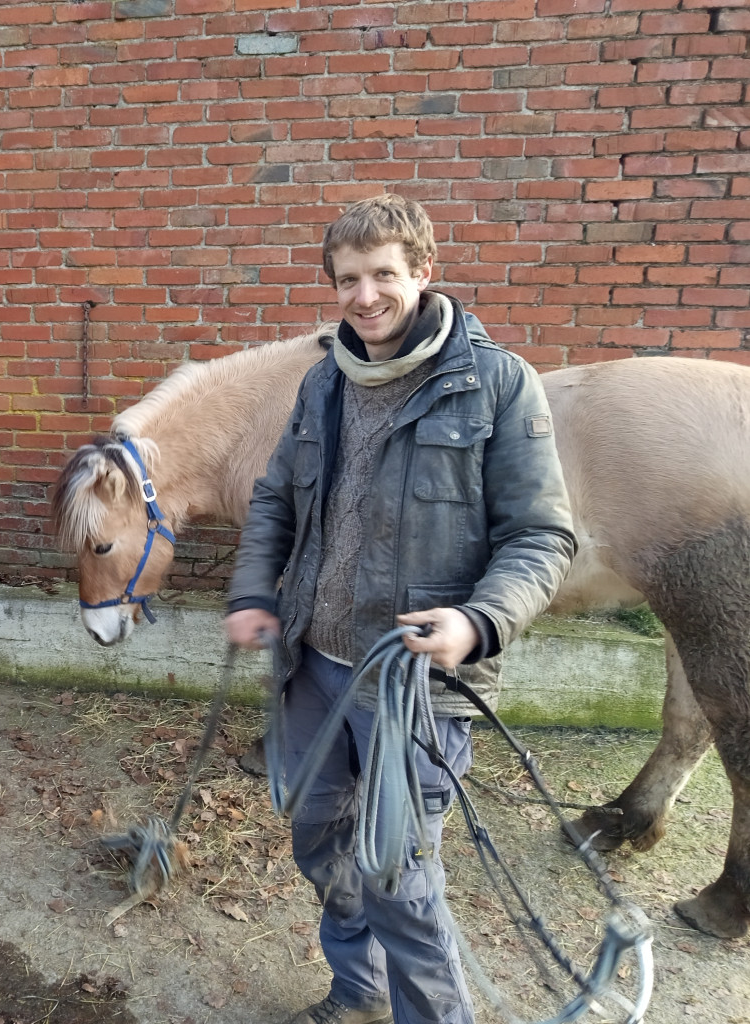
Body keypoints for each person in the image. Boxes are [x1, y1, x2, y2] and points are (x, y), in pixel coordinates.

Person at [225, 195, 575, 1024]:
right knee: (317, 836)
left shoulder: (492, 383)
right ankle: (358, 989)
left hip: (410, 685)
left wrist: (477, 621)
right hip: (313, 666)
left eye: (383, 273)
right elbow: (275, 496)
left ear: (422, 272)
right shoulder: (323, 384)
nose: (365, 295)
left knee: (400, 878)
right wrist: (252, 589)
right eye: (347, 279)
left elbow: (539, 535)